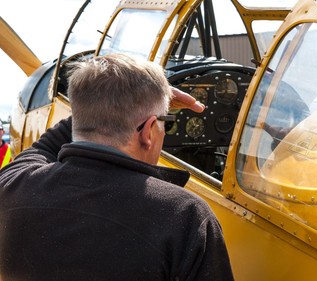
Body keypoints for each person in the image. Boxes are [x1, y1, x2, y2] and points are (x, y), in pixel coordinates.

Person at [0, 53, 234, 281]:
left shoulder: (12, 186)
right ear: (149, 131)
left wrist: (98, 108)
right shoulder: (186, 216)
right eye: (165, 122)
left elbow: (42, 148)